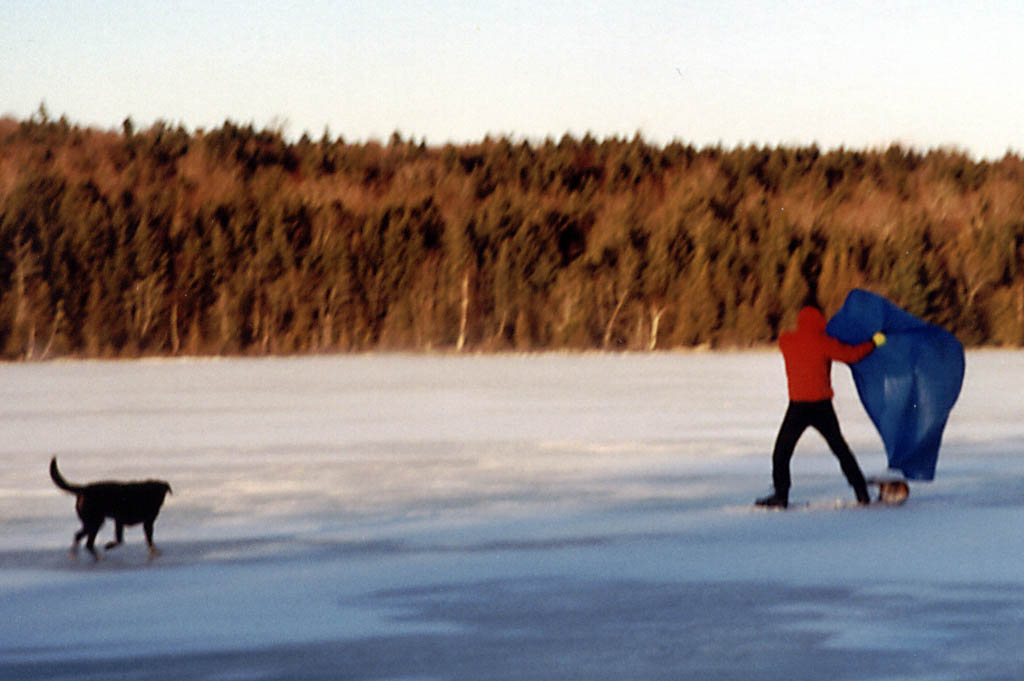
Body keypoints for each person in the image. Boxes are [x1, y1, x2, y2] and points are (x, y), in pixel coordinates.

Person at [755, 305, 885, 509]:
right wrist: (873, 343)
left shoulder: (787, 341)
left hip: (797, 407)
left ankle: (781, 495)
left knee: (782, 451)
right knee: (840, 450)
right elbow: (851, 355)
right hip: (822, 407)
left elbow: (785, 338)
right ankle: (861, 493)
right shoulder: (824, 342)